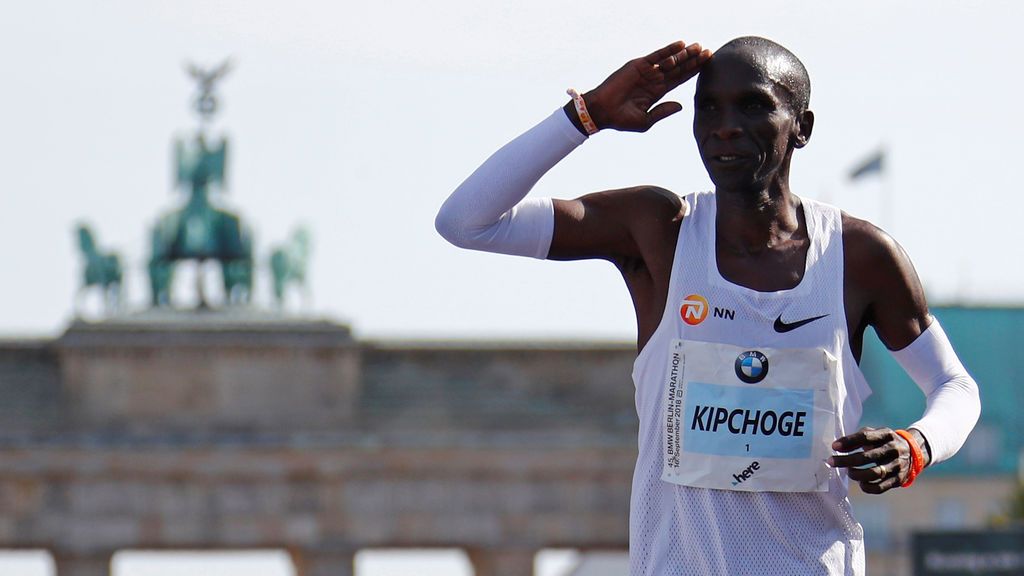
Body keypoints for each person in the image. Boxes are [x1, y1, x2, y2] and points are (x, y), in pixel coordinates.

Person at [435, 37, 980, 575]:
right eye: (709, 107)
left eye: (753, 105)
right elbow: (466, 222)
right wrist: (590, 114)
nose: (725, 126)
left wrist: (917, 444)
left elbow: (955, 388)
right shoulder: (657, 229)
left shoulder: (858, 256)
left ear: (802, 127)